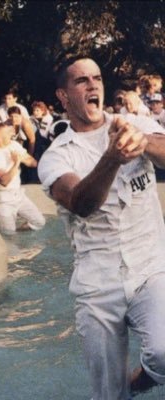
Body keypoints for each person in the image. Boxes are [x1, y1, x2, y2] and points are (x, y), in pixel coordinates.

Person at [38, 56, 165, 399]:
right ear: (63, 96)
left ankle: (141, 379)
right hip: (97, 285)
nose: (93, 85)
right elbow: (81, 203)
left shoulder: (134, 122)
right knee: (109, 396)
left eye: (96, 78)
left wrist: (145, 143)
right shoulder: (55, 156)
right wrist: (112, 158)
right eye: (81, 81)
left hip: (150, 268)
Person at [0, 122, 45, 235]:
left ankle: (19, 232)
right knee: (9, 234)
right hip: (3, 199)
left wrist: (24, 159)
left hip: (19, 195)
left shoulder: (14, 144)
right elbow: (4, 181)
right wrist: (16, 162)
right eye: (8, 132)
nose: (12, 133)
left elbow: (33, 163)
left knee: (39, 222)